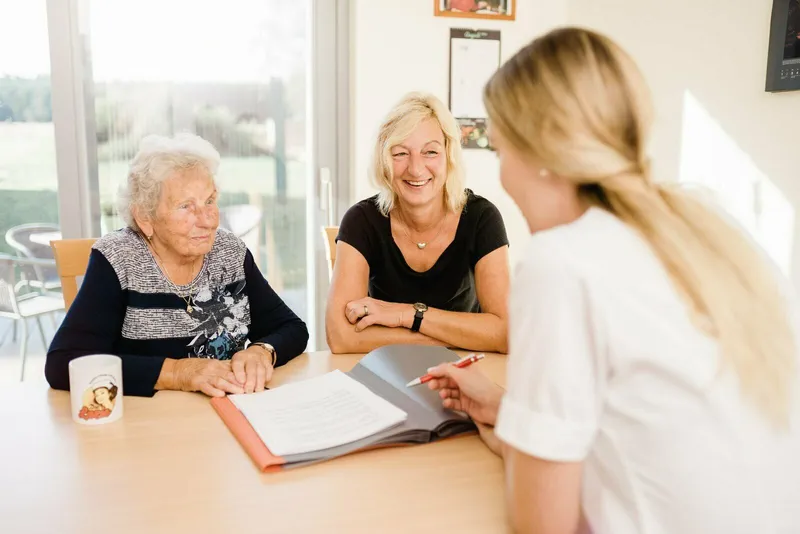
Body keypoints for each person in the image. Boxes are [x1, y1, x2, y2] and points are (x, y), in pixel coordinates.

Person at [427, 28, 800, 534]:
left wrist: (507, 436)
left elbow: (543, 524)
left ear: (542, 154)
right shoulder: (711, 226)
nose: (504, 176)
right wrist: (509, 410)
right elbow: (653, 421)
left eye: (499, 151)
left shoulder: (562, 264)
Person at [46, 133, 309, 398]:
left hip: (228, 415)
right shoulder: (119, 258)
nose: (207, 221)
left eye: (209, 201)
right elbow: (64, 362)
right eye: (186, 206)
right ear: (145, 217)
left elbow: (291, 328)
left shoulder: (229, 252)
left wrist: (262, 351)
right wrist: (179, 373)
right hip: (149, 426)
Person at [326, 92, 510, 354]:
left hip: (465, 373)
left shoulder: (482, 218)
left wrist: (406, 315)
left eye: (430, 152)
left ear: (449, 155)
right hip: (385, 372)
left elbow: (504, 334)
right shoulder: (361, 220)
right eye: (400, 153)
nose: (415, 169)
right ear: (384, 159)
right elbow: (341, 337)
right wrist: (463, 336)